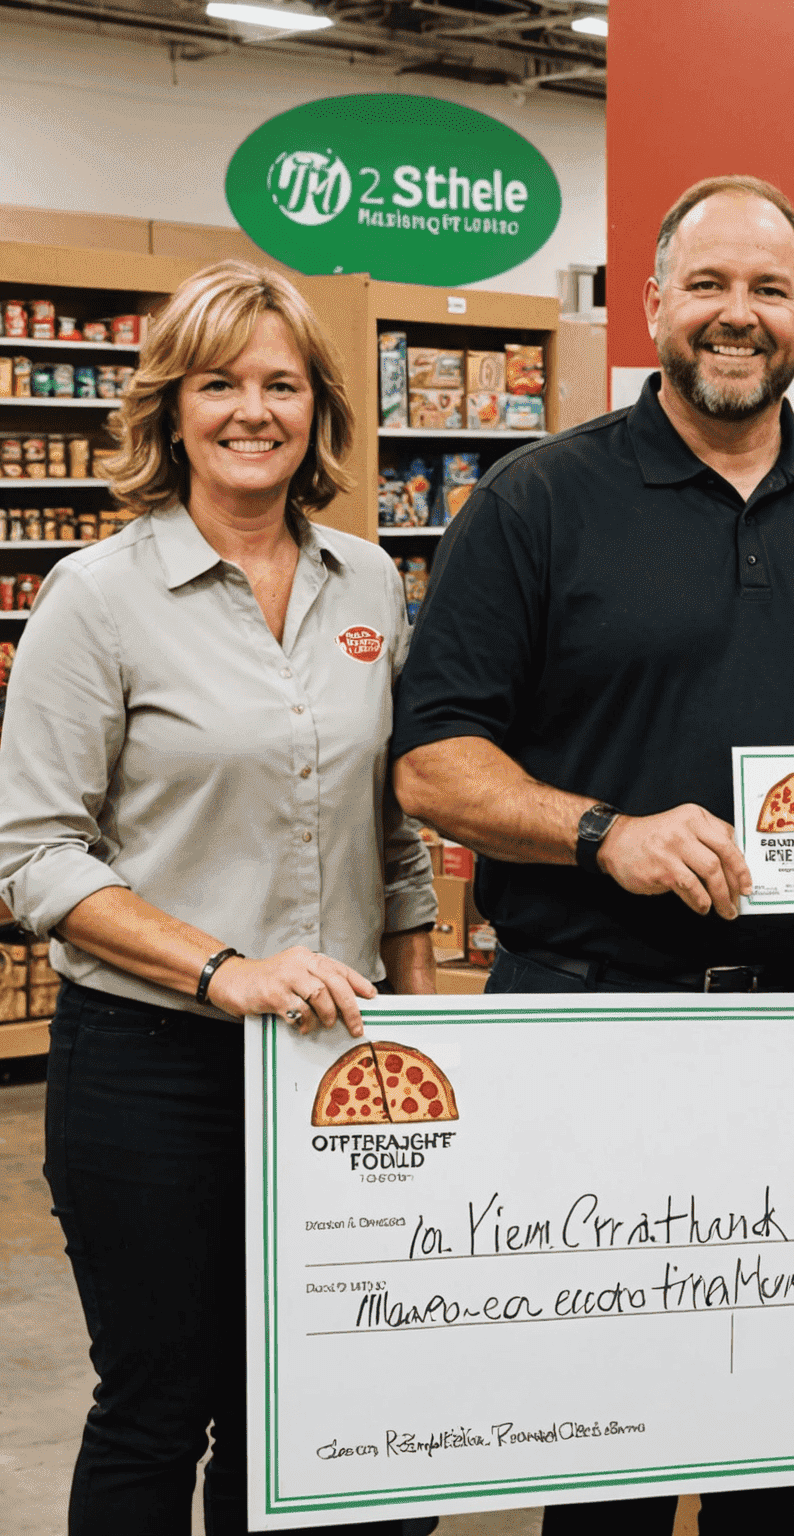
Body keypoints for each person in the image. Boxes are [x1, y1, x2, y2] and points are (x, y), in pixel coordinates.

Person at [390, 175, 794, 1533]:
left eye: (769, 290)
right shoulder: (538, 501)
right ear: (653, 302)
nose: (740, 315)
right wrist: (603, 833)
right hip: (595, 1024)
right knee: (607, 1433)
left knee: (785, 1431)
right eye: (710, 286)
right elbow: (434, 763)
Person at [0, 260, 439, 1536]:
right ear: (170, 410)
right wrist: (219, 966)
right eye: (219, 384)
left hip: (335, 1069)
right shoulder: (101, 595)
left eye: (280, 384)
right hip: (152, 1064)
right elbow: (35, 856)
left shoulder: (370, 585)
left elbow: (392, 832)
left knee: (296, 1407)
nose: (252, 410)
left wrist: (426, 1032)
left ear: (318, 410)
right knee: (157, 1407)